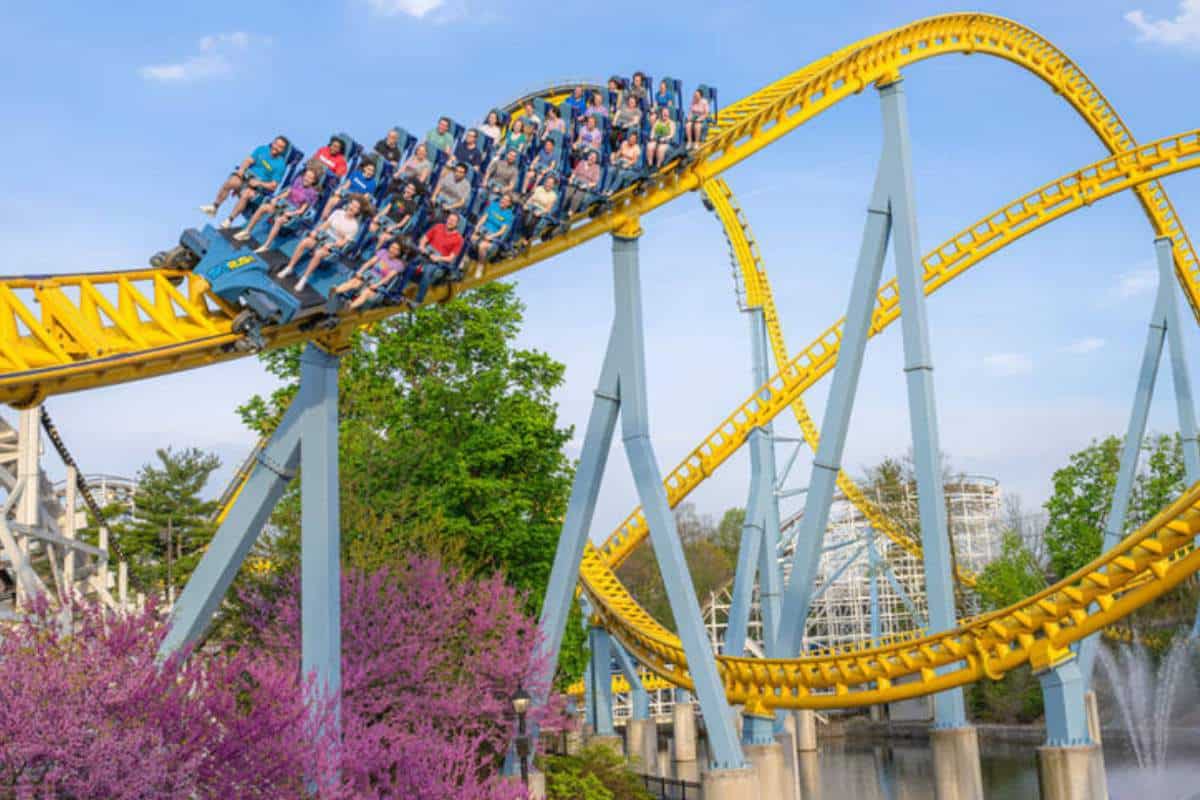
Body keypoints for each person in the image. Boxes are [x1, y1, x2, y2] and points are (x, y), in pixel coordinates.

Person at [278, 195, 369, 292]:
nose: (352, 207)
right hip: (324, 237)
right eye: (352, 204)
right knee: (305, 242)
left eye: (355, 207)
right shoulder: (338, 212)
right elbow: (325, 225)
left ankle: (304, 279)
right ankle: (289, 267)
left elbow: (343, 243)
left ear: (358, 211)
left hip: (334, 244)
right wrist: (316, 231)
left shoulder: (354, 226)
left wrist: (332, 245)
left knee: (319, 253)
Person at [200, 135, 290, 223]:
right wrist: (241, 170)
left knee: (246, 194)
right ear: (273, 143)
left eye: (280, 147)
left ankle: (229, 220)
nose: (276, 147)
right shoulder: (262, 149)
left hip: (258, 188)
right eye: (276, 144)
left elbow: (273, 185)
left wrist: (258, 183)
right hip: (247, 178)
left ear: (282, 150)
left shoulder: (281, 165)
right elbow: (248, 160)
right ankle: (214, 207)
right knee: (232, 181)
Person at [232, 165, 321, 246]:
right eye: (306, 176)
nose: (307, 179)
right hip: (282, 207)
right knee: (263, 207)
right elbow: (287, 193)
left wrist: (290, 213)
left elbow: (301, 211)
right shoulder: (298, 181)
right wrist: (276, 198)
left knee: (279, 220)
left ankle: (266, 245)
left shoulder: (312, 193)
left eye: (310, 178)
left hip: (292, 214)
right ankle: (247, 231)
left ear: (313, 181)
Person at [397, 212, 465, 304]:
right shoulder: (438, 226)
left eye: (453, 221)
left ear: (457, 224)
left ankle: (417, 301)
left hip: (439, 261)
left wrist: (438, 258)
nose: (450, 222)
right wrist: (422, 246)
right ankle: (398, 292)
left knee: (428, 271)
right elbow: (424, 238)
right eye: (449, 219)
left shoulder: (459, 239)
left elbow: (450, 258)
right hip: (428, 252)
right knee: (411, 264)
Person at [333, 239, 407, 311]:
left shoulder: (399, 264)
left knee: (366, 293)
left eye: (396, 249)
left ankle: (350, 306)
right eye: (392, 247)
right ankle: (336, 290)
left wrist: (376, 285)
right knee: (354, 282)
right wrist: (360, 271)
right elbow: (369, 263)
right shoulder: (383, 252)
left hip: (379, 282)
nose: (393, 250)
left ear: (399, 253)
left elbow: (387, 278)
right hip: (369, 275)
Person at [371, 181, 423, 246]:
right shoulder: (397, 196)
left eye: (411, 189)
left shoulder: (412, 205)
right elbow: (386, 210)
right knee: (372, 227)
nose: (409, 190)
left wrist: (393, 227)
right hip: (385, 219)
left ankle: (376, 252)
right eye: (408, 187)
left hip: (395, 224)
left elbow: (403, 222)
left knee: (382, 238)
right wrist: (377, 216)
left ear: (414, 193)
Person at [469, 193, 515, 264]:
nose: (503, 201)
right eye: (503, 199)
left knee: (482, 246)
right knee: (469, 237)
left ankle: (480, 264)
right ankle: (463, 261)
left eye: (506, 200)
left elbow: (502, 231)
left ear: (509, 204)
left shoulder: (509, 215)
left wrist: (491, 236)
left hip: (493, 236)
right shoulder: (493, 205)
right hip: (483, 230)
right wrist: (477, 227)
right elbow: (484, 218)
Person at [521, 175, 558, 240]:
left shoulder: (553, 195)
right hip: (532, 207)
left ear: (553, 185)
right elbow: (531, 199)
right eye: (547, 182)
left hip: (541, 211)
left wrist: (540, 212)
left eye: (550, 183)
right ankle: (520, 233)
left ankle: (526, 239)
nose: (548, 184)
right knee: (522, 214)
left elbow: (548, 209)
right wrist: (526, 204)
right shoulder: (539, 188)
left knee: (533, 221)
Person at [564, 150, 601, 215]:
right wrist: (571, 178)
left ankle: (570, 212)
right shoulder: (582, 162)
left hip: (585, 184)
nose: (592, 158)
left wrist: (586, 185)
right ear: (588, 156)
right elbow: (574, 172)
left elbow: (595, 182)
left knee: (577, 197)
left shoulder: (596, 168)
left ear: (596, 160)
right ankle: (561, 207)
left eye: (594, 157)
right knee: (567, 193)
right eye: (591, 156)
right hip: (576, 180)